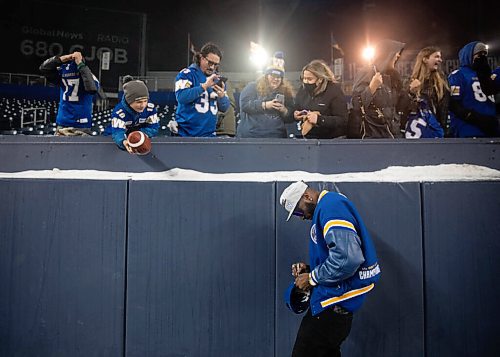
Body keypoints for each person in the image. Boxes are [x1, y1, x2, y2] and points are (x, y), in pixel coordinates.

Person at [280, 181, 380, 357]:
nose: (301, 217)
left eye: (298, 210)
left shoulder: (331, 206)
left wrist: (312, 278)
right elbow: (341, 256)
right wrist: (309, 269)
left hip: (332, 306)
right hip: (335, 308)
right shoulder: (328, 206)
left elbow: (348, 258)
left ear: (307, 196)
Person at [349, 39, 405, 138]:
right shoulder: (366, 72)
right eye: (396, 53)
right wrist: (371, 88)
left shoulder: (394, 76)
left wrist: (412, 93)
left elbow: (399, 107)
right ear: (387, 54)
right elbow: (356, 105)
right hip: (372, 137)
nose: (398, 56)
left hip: (394, 136)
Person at [174, 42, 230, 137]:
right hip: (186, 134)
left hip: (209, 135)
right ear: (201, 58)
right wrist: (204, 86)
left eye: (216, 64)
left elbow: (224, 108)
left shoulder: (217, 79)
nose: (212, 67)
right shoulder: (186, 74)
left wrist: (222, 96)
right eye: (210, 62)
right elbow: (181, 97)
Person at [39, 51, 99, 136]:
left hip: (78, 126)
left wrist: (64, 59)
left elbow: (92, 89)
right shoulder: (65, 73)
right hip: (67, 125)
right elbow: (93, 89)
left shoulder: (63, 73)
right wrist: (69, 58)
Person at [237, 51, 294, 138]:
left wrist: (284, 110)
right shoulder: (252, 87)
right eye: (272, 76)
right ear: (266, 76)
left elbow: (291, 116)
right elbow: (244, 105)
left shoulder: (286, 92)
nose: (275, 79)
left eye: (278, 77)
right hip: (252, 136)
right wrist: (265, 105)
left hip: (277, 136)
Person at [448, 41, 499, 137]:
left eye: (485, 54)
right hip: (468, 129)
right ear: (468, 54)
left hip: (491, 129)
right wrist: (473, 117)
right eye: (479, 54)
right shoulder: (458, 75)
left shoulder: (488, 74)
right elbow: (454, 104)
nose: (483, 56)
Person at [402, 46, 450, 138]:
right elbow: (403, 109)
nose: (440, 60)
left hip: (437, 131)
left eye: (440, 57)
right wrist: (411, 93)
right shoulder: (410, 81)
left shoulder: (442, 82)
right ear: (425, 59)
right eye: (436, 56)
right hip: (417, 133)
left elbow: (445, 109)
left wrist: (444, 131)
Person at [294, 59, 348, 139]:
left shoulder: (334, 91)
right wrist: (296, 115)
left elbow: (342, 120)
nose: (306, 82)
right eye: (304, 78)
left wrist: (319, 119)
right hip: (309, 138)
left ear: (320, 79)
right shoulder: (302, 90)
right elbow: (297, 107)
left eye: (309, 79)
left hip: (331, 140)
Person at [107, 76, 159, 153]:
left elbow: (153, 128)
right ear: (129, 101)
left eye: (145, 101)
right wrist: (123, 142)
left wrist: (137, 136)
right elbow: (117, 132)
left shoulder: (150, 108)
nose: (143, 105)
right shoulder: (119, 112)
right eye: (139, 102)